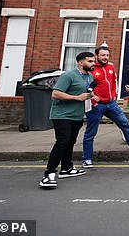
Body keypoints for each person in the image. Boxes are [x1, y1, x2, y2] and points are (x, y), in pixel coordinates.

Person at [40, 52, 97, 189]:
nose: (93, 64)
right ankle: (49, 174)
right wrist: (77, 98)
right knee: (62, 142)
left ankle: (66, 168)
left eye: (93, 61)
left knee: (70, 141)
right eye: (90, 61)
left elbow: (85, 92)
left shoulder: (89, 76)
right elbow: (55, 94)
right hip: (62, 115)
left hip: (77, 115)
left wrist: (92, 96)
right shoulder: (68, 75)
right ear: (80, 62)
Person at [81, 45, 129, 168]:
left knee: (124, 123)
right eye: (102, 55)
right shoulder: (91, 68)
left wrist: (114, 95)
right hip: (96, 105)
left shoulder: (111, 66)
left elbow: (113, 81)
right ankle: (87, 159)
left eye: (107, 55)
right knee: (91, 132)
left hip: (111, 103)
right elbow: (87, 86)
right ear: (96, 56)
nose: (105, 57)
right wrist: (94, 101)